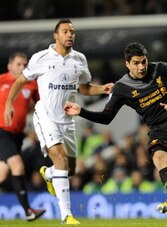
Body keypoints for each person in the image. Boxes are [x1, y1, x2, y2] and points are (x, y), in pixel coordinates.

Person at [64, 42, 167, 224]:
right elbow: (107, 117)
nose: (141, 67)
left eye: (143, 61)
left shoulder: (162, 69)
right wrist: (81, 111)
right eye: (136, 63)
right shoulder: (122, 88)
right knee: (160, 158)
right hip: (158, 128)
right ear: (127, 64)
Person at [4, 19, 113, 224]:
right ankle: (66, 216)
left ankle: (49, 174)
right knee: (61, 159)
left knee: (70, 169)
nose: (70, 35)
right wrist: (9, 103)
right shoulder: (41, 58)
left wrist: (102, 89)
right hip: (46, 115)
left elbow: (83, 87)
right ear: (56, 35)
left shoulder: (79, 59)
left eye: (72, 32)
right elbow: (21, 80)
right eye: (65, 31)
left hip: (68, 119)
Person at [0, 52, 46, 221]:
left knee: (2, 175)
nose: (22, 68)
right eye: (18, 64)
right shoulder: (1, 80)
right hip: (1, 132)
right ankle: (28, 211)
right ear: (9, 66)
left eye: (25, 65)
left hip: (17, 135)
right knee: (18, 167)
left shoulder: (31, 84)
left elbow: (41, 103)